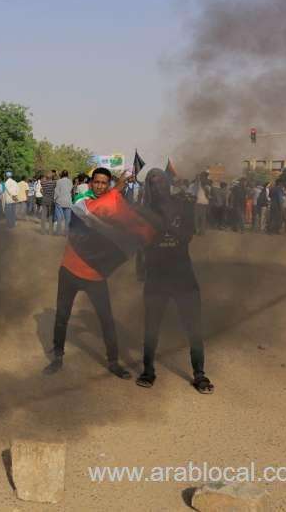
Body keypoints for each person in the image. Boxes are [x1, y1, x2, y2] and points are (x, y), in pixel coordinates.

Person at [43, 167, 154, 378]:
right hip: (69, 270)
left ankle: (113, 362)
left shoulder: (115, 204)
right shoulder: (82, 203)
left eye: (104, 183)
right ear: (91, 182)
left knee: (106, 319)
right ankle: (57, 356)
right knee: (62, 316)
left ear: (108, 184)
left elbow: (129, 223)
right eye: (97, 182)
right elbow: (93, 211)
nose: (100, 186)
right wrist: (117, 190)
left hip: (95, 276)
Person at [136, 168, 213, 394]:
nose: (156, 186)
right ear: (148, 187)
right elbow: (141, 244)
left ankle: (199, 374)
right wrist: (140, 269)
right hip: (156, 276)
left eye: (160, 181)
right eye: (152, 182)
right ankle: (148, 371)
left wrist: (165, 222)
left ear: (168, 183)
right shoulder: (144, 211)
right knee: (151, 327)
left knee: (194, 327)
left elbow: (187, 235)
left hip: (182, 275)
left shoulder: (183, 204)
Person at [53, 170, 73, 236]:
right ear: (67, 175)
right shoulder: (70, 181)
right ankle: (66, 233)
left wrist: (54, 199)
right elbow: (70, 191)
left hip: (60, 201)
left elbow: (57, 192)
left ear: (61, 175)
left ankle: (58, 232)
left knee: (59, 217)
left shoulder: (59, 181)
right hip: (68, 201)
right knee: (67, 219)